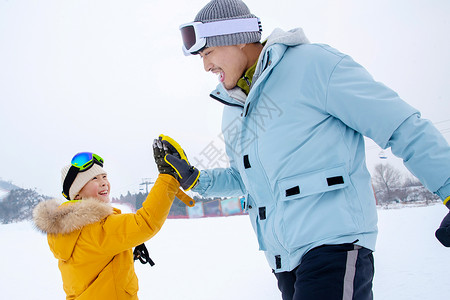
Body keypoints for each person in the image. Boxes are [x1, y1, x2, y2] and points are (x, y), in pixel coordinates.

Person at [174, 0, 450, 299]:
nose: (205, 66)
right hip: (284, 260)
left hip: (334, 244)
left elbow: (400, 125)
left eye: (208, 52)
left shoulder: (314, 65)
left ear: (238, 37)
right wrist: (194, 178)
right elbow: (245, 178)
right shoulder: (235, 107)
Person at [32, 147, 195, 299]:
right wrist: (168, 177)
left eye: (104, 176)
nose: (103, 182)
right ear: (77, 193)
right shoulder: (94, 228)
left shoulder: (70, 231)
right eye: (94, 179)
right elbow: (144, 223)